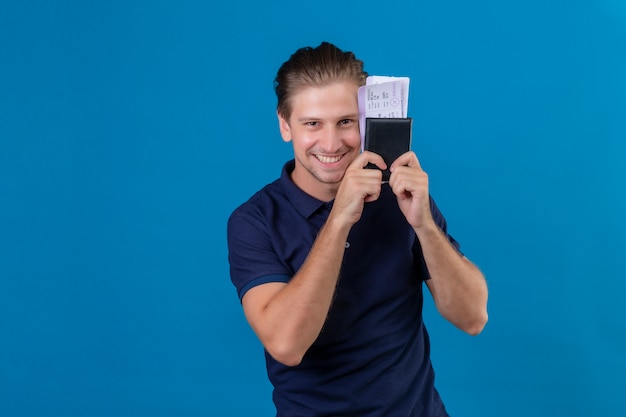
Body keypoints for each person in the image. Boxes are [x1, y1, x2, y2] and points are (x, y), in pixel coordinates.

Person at [227, 41, 489, 417]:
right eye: (312, 123)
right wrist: (339, 219)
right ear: (285, 126)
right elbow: (287, 344)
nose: (331, 143)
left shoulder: (402, 196)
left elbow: (473, 317)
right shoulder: (253, 221)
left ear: (366, 122)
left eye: (346, 122)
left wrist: (424, 226)